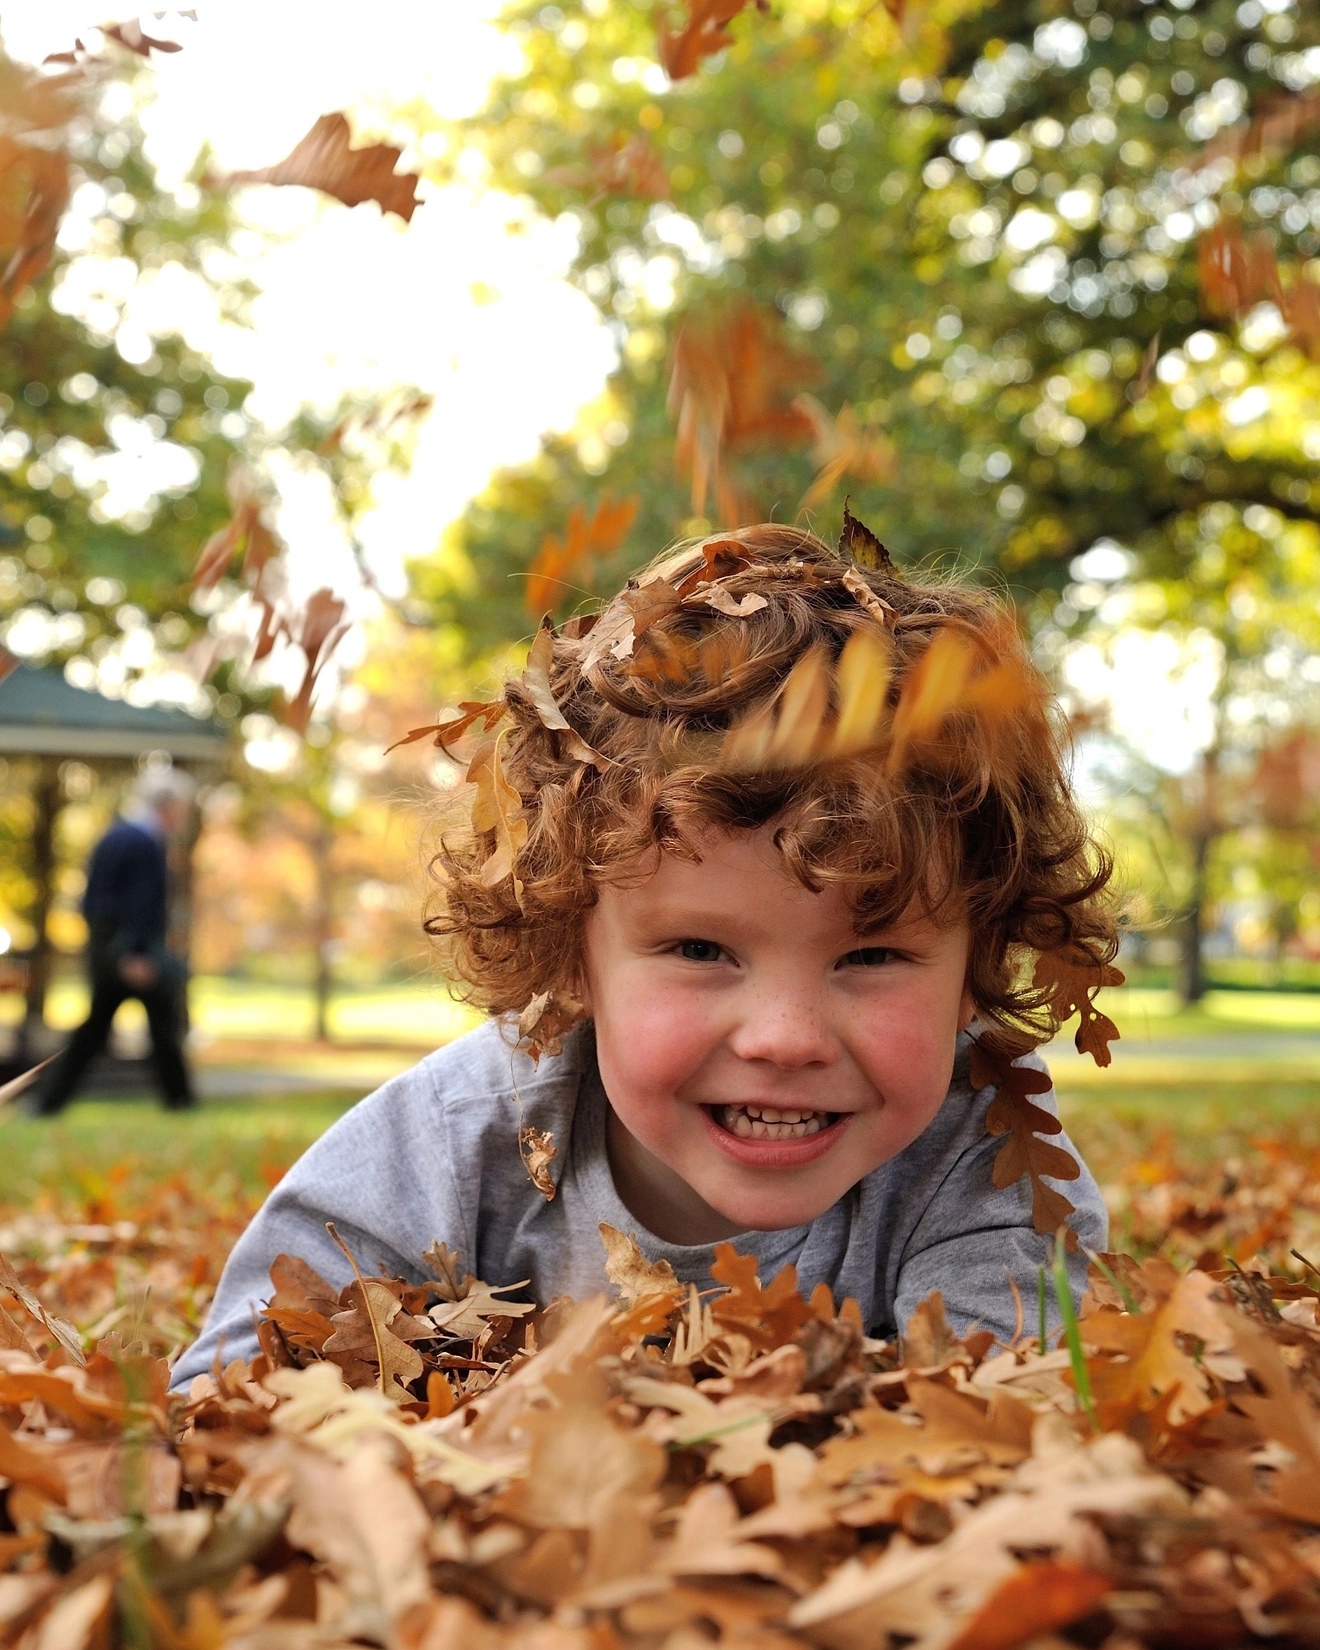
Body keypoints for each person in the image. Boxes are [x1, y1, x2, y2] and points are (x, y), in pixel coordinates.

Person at [173, 518, 1117, 1386]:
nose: (784, 1039)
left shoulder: (992, 1168)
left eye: (870, 959)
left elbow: (1014, 1440)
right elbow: (230, 1403)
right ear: (572, 954)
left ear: (974, 971)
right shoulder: (449, 1148)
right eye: (702, 948)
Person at [30, 767, 197, 1116]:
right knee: (149, 1029)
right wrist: (135, 954)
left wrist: (106, 950)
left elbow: (92, 900)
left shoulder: (115, 835)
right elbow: (139, 904)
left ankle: (49, 1103)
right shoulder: (144, 842)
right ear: (167, 804)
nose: (183, 815)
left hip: (110, 950)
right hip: (132, 955)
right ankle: (180, 1103)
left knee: (106, 1030)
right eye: (181, 806)